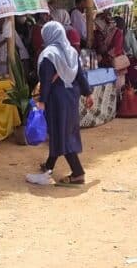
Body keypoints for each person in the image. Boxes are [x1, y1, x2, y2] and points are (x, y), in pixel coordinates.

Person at [27, 22, 93, 186]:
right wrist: (88, 93)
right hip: (71, 97)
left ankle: (78, 173)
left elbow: (46, 81)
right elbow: (80, 75)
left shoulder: (49, 54)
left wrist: (42, 101)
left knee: (61, 133)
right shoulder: (71, 51)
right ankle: (48, 166)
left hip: (56, 98)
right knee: (64, 130)